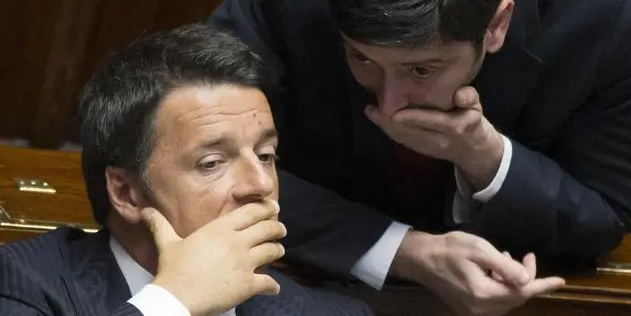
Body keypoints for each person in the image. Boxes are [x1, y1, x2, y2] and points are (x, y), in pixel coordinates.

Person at [208, 0, 631, 316]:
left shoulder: (608, 0)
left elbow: (600, 216)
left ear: (496, 25)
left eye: (422, 70)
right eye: (361, 57)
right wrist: (406, 251)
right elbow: (201, 164)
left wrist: (485, 158)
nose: (388, 104)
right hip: (303, 278)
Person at [0, 24, 373, 316]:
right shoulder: (23, 284)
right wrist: (174, 301)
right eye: (212, 163)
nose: (260, 184)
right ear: (127, 193)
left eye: (265, 155)